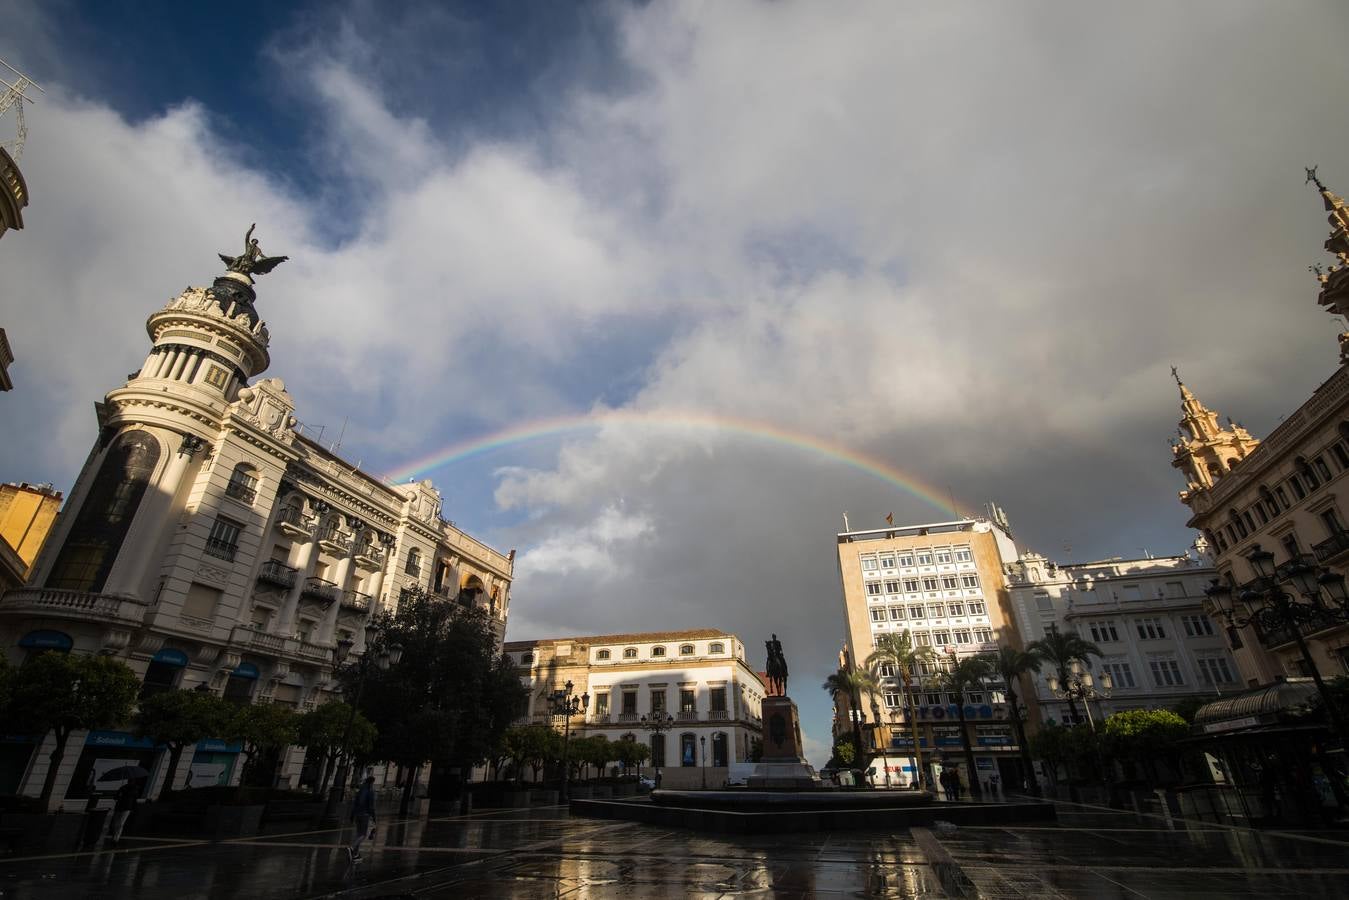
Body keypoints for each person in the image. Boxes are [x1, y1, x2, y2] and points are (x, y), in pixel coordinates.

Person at [348, 775, 377, 862]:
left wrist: (352, 815)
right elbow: (371, 807)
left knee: (358, 834)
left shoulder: (360, 791)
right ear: (371, 783)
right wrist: (374, 817)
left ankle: (355, 855)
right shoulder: (370, 792)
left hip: (357, 814)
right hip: (365, 814)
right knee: (363, 835)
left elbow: (355, 804)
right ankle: (352, 848)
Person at [109, 778, 143, 845]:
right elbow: (116, 797)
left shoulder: (132, 789)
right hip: (120, 807)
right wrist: (119, 795)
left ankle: (116, 838)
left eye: (131, 781)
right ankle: (114, 836)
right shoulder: (123, 788)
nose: (130, 782)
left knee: (120, 823)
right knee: (116, 823)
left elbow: (134, 799)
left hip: (126, 808)